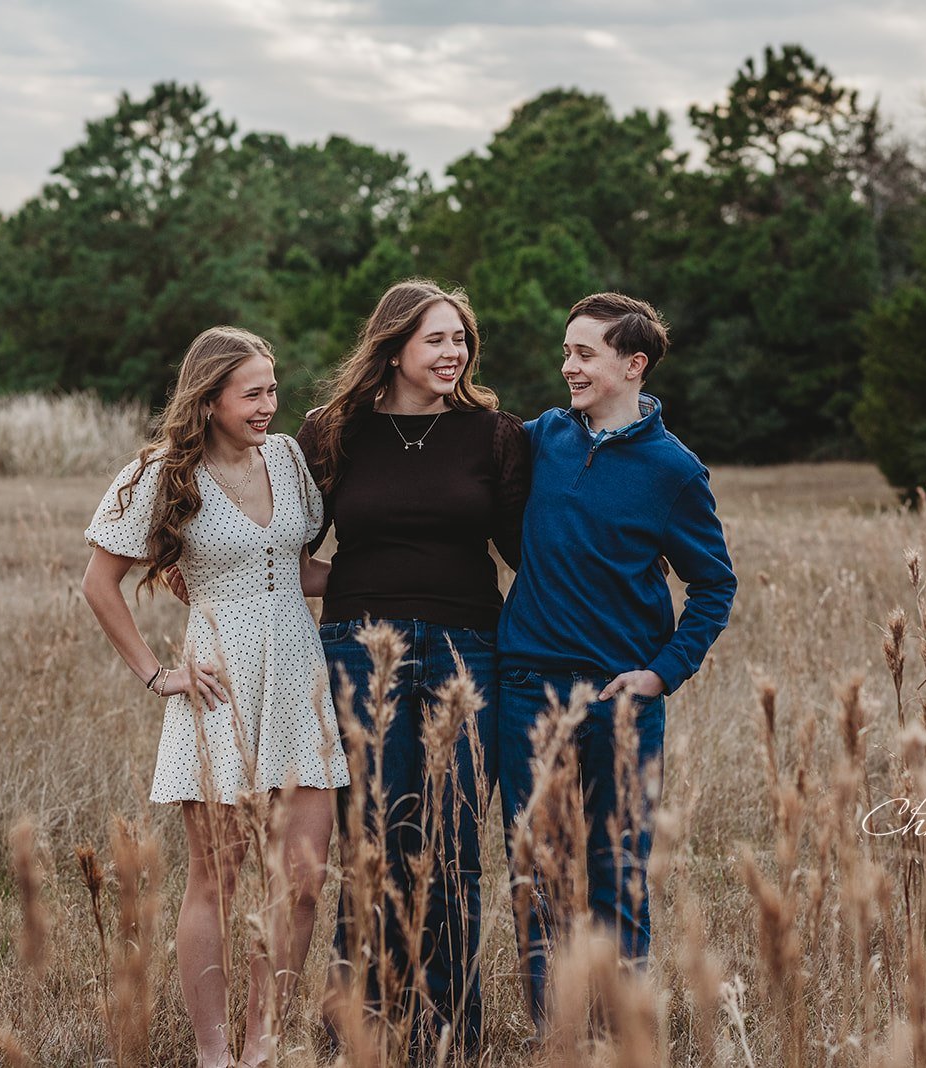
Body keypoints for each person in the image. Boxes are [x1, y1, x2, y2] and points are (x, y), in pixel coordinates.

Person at [81, 326, 350, 1068]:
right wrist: (155, 673)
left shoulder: (290, 458)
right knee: (219, 879)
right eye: (252, 393)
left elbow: (296, 572)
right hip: (218, 684)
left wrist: (403, 569)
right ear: (210, 398)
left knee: (301, 881)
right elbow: (98, 585)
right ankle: (215, 1053)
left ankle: (264, 1041)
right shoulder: (163, 473)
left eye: (273, 389)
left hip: (298, 677)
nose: (270, 405)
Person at [297, 279, 529, 1055]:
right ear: (393, 347)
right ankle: (357, 1028)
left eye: (461, 339)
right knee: (373, 841)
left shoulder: (495, 436)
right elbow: (288, 547)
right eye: (437, 338)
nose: (454, 352)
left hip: (468, 652)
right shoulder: (330, 433)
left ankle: (450, 1031)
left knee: (454, 845)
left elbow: (525, 553)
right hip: (359, 651)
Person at [496, 292, 736, 1030]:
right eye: (566, 351)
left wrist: (663, 672)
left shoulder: (673, 470)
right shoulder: (542, 438)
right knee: (538, 871)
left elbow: (713, 584)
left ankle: (621, 1031)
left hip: (619, 700)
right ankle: (555, 1030)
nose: (568, 366)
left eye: (584, 353)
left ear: (632, 365)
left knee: (617, 871)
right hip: (525, 686)